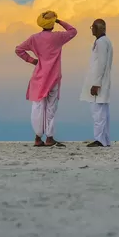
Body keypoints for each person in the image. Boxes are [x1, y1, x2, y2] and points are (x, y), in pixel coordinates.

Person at [15, 11, 77, 147]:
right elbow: (73, 31)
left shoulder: (34, 38)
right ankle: (49, 137)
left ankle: (37, 138)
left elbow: (18, 50)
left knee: (38, 107)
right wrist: (59, 21)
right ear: (52, 23)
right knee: (51, 107)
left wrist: (32, 61)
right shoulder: (58, 37)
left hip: (39, 77)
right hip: (54, 77)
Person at [79, 18, 113, 147]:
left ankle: (100, 139)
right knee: (102, 111)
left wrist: (96, 83)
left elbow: (101, 63)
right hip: (99, 80)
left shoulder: (102, 42)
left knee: (97, 111)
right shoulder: (103, 41)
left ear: (99, 28)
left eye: (93, 27)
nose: (92, 29)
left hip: (98, 81)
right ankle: (104, 139)